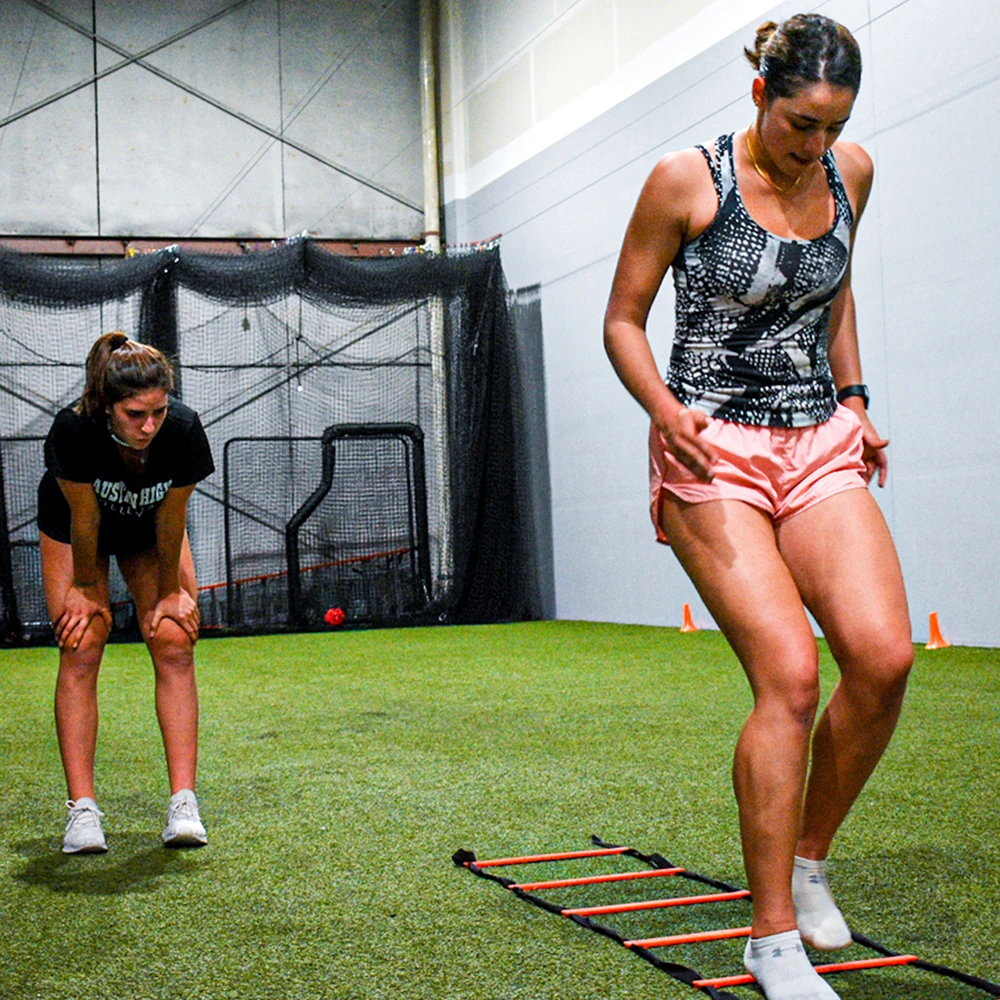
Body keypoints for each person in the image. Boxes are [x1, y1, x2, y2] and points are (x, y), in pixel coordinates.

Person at [604, 14, 912, 1000]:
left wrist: (857, 403)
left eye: (832, 126)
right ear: (758, 97)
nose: (812, 145)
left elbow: (836, 292)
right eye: (798, 124)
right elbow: (621, 318)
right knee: (787, 675)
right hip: (711, 448)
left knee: (880, 657)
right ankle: (770, 936)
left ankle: (809, 855)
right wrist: (664, 412)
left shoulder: (848, 175)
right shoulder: (686, 180)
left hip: (816, 439)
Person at [38, 331, 214, 853]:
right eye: (135, 414)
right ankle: (83, 811)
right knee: (82, 641)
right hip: (74, 526)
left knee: (174, 639)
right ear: (107, 406)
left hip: (149, 527)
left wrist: (168, 593)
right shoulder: (74, 428)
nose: (148, 425)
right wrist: (89, 589)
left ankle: (184, 802)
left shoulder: (182, 429)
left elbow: (173, 516)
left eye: (157, 412)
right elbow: (86, 516)